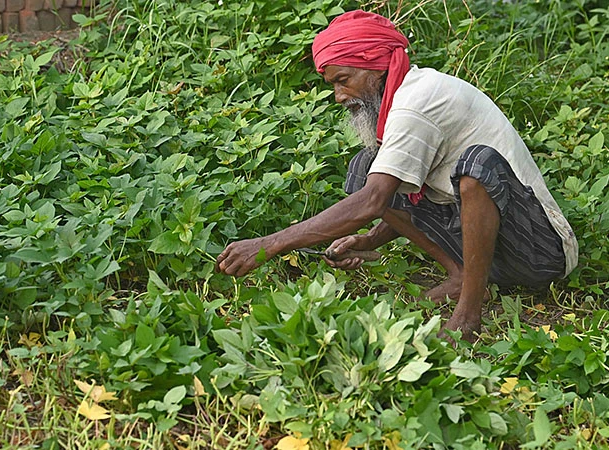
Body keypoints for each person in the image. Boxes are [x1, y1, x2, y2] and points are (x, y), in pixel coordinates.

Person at [215, 10, 578, 341]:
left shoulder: (419, 100)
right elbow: (395, 191)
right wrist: (371, 240)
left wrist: (270, 245)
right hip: (485, 248)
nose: (340, 96)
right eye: (334, 86)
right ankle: (460, 275)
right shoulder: (402, 100)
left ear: (374, 66)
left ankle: (468, 314)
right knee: (365, 166)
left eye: (344, 80)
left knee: (477, 168)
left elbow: (374, 201)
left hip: (538, 254)